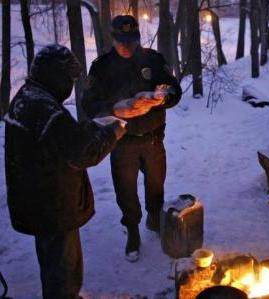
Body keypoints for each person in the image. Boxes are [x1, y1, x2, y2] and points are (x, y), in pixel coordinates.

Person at [5, 44, 127, 299]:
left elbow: (60, 140)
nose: (71, 85)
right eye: (69, 79)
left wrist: (91, 127)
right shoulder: (44, 109)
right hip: (53, 205)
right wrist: (112, 132)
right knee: (62, 267)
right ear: (55, 76)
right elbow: (83, 152)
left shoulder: (27, 97)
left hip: (37, 201)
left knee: (53, 262)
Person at [82, 15, 182, 262]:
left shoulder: (153, 60)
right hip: (121, 140)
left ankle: (154, 218)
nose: (127, 46)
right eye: (122, 41)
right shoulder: (102, 67)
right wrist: (115, 108)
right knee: (125, 189)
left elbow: (174, 89)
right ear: (112, 38)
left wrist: (163, 96)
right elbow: (89, 104)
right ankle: (133, 229)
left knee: (156, 184)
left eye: (132, 40)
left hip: (153, 138)